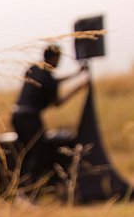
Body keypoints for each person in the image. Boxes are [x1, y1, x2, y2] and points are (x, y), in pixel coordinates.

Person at [9, 45, 90, 188]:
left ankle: (19, 188)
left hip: (16, 116)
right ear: (54, 58)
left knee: (26, 153)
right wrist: (77, 88)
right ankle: (27, 190)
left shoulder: (33, 69)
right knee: (40, 153)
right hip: (30, 119)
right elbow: (57, 102)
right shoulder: (49, 79)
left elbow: (53, 81)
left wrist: (75, 74)